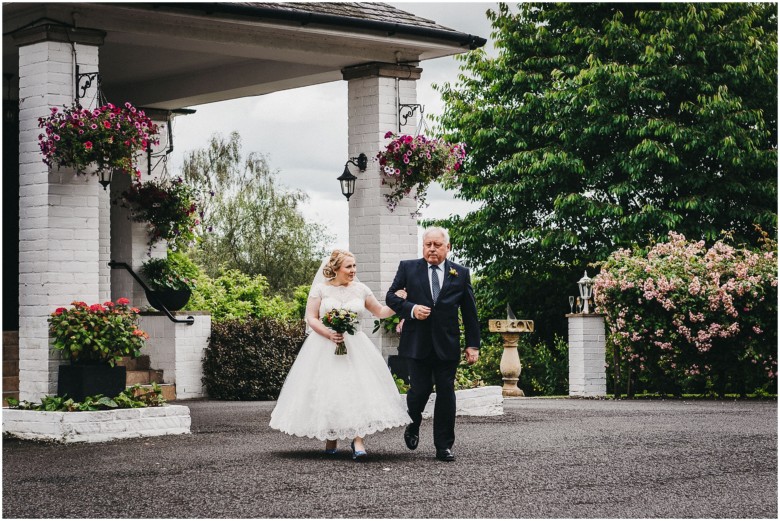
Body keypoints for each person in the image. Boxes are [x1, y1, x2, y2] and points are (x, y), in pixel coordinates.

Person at [269, 249, 411, 460]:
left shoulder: (361, 289)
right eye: (348, 266)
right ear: (336, 268)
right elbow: (311, 317)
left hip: (356, 346)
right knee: (329, 388)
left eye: (354, 266)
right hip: (325, 345)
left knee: (357, 389)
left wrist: (397, 302)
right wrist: (328, 333)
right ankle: (331, 434)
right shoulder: (321, 289)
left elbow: (380, 312)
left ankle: (358, 440)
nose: (353, 270)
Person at [386, 226, 480, 462]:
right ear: (423, 246)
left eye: (437, 245)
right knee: (419, 391)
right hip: (417, 343)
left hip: (446, 345)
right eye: (428, 244)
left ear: (447, 247)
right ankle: (413, 423)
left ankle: (444, 446)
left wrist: (473, 345)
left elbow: (470, 313)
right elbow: (391, 296)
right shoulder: (408, 268)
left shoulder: (460, 273)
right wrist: (412, 309)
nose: (432, 249)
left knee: (446, 392)